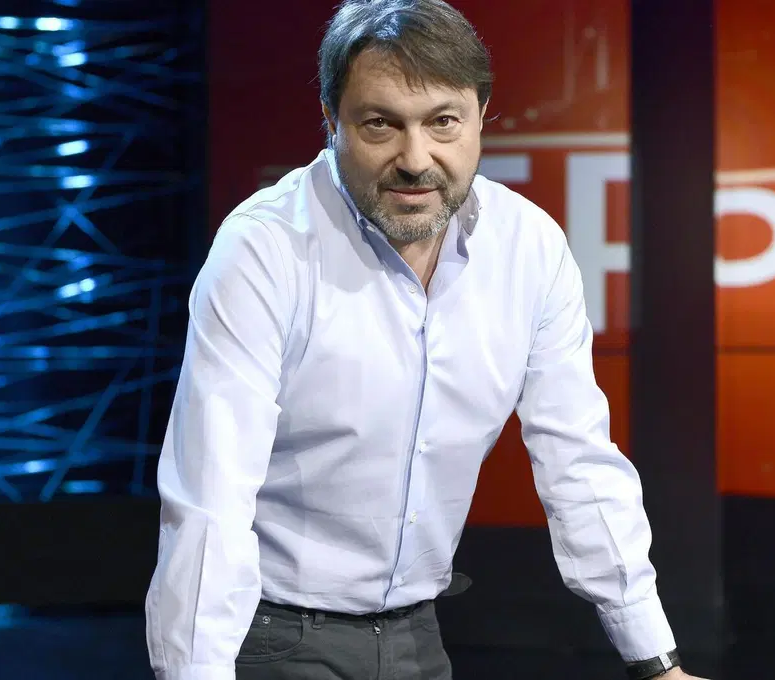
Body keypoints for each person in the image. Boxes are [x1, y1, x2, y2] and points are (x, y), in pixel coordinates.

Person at [146, 1, 708, 678]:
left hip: (419, 636)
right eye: (380, 124)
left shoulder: (530, 247)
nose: (416, 161)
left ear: (481, 115)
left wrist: (656, 662)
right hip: (270, 635)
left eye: (443, 122)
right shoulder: (264, 249)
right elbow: (210, 497)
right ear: (331, 120)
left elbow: (577, 458)